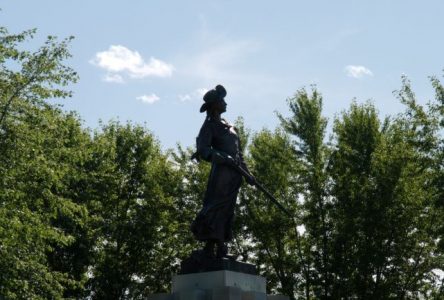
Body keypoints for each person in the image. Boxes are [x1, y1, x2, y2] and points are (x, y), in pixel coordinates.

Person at [191, 84, 255, 259]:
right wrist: (220, 156)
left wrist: (248, 174)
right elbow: (204, 149)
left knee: (228, 210)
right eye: (222, 100)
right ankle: (215, 246)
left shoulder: (231, 126)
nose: (225, 103)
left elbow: (239, 154)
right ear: (214, 105)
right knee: (216, 208)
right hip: (221, 175)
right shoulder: (210, 127)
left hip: (235, 176)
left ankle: (218, 246)